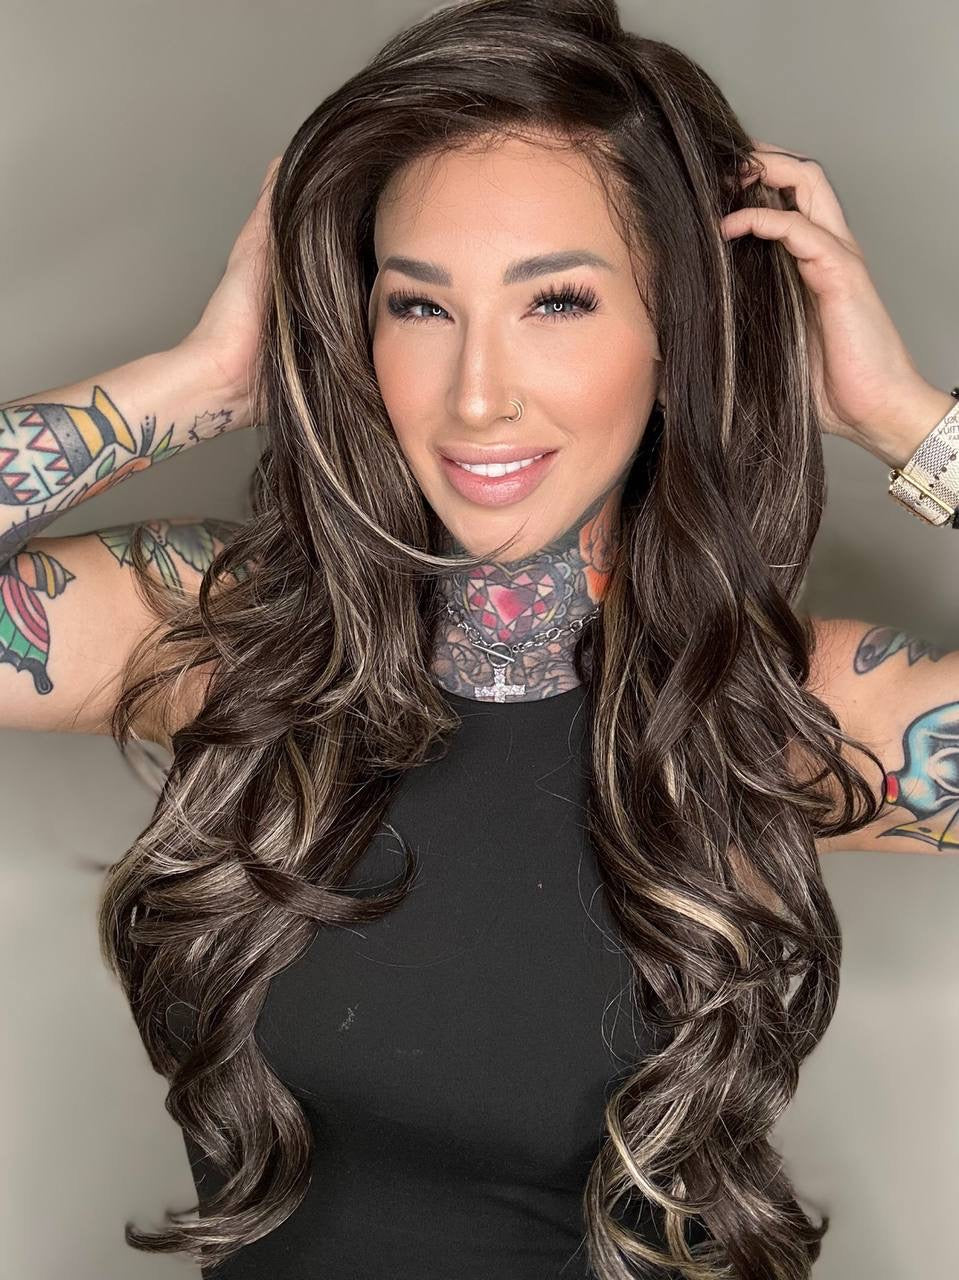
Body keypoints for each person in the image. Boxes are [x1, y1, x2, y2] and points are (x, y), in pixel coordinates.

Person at [3, 1, 957, 1277]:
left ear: (677, 331)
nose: (476, 395)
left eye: (555, 301)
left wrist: (900, 416)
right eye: (418, 306)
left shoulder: (776, 712)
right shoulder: (231, 635)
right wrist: (199, 379)